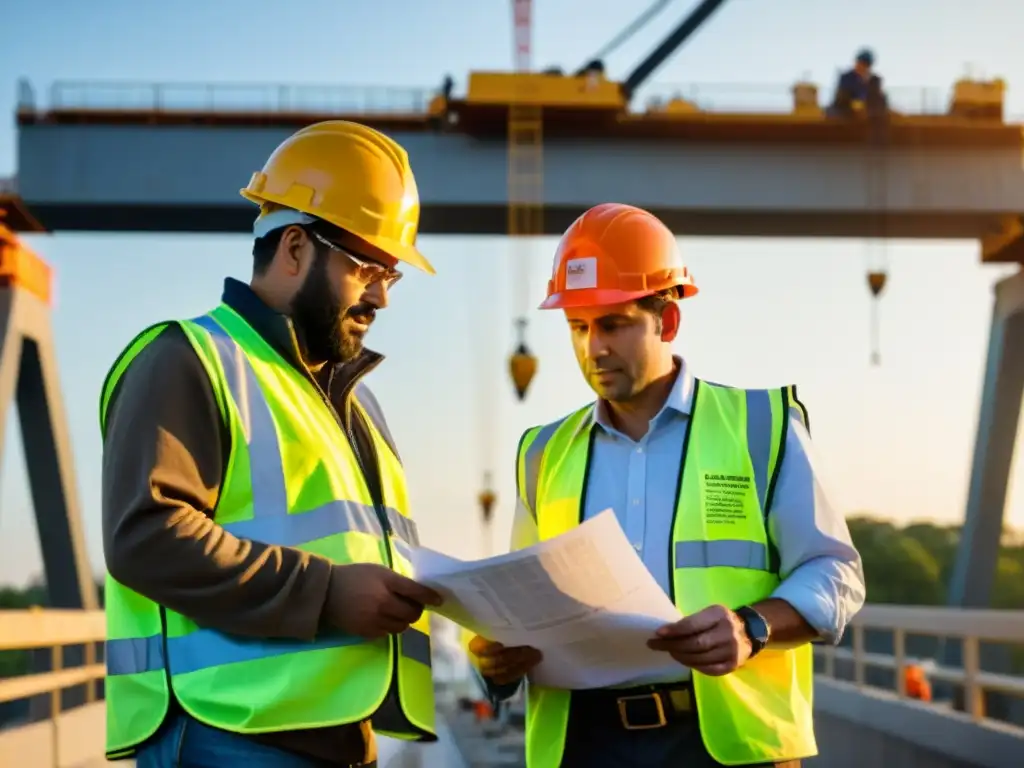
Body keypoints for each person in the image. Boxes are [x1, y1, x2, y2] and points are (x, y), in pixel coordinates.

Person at [468, 203, 866, 767]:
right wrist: (494, 660)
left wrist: (751, 627)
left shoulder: (762, 427)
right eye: (577, 327)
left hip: (727, 747)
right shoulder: (541, 453)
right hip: (583, 746)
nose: (593, 348)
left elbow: (837, 573)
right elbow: (518, 604)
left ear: (668, 321)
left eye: (613, 323)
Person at [100, 120, 444, 768]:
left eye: (392, 277)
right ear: (293, 248)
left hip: (341, 736)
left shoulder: (353, 403)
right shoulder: (189, 359)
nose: (381, 297)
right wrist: (327, 593)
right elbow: (144, 536)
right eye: (368, 267)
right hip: (224, 738)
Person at [829, 47, 887, 117]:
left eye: (864, 65)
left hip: (868, 113)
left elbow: (878, 99)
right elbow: (840, 98)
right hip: (846, 111)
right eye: (858, 63)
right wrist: (854, 103)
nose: (860, 66)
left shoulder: (875, 80)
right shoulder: (846, 77)